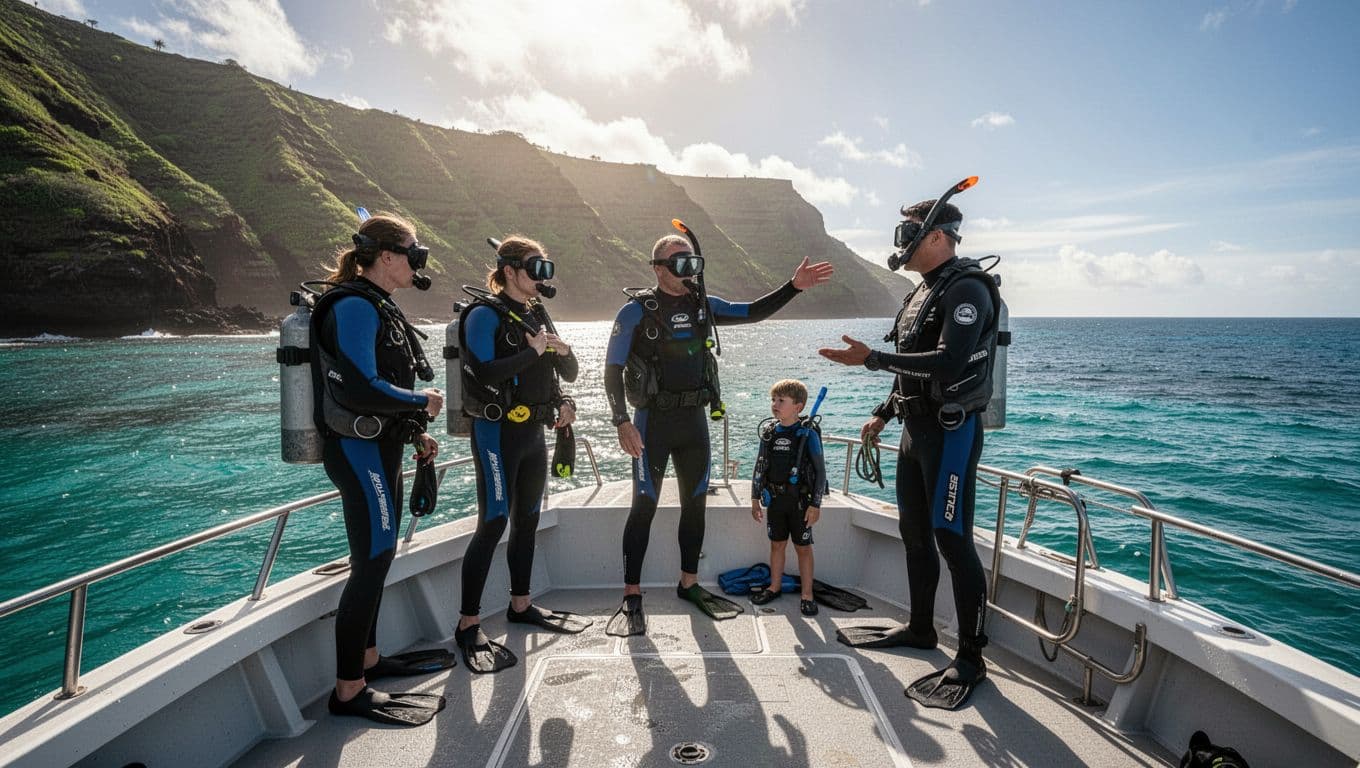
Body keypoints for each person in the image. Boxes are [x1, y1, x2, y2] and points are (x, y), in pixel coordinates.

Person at [819, 197, 1002, 711]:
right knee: (914, 534)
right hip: (913, 432)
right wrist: (884, 411)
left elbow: (948, 364)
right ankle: (921, 629)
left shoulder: (966, 289)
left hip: (951, 434)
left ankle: (970, 657)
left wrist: (871, 359)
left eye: (909, 234)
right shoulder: (922, 293)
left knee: (953, 539)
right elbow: (912, 369)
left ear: (939, 236)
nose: (901, 244)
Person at [602, 233, 834, 636]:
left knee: (696, 506)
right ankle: (632, 594)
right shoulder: (635, 312)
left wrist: (793, 287)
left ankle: (688, 583)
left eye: (692, 261)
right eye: (678, 262)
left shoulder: (702, 307)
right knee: (644, 506)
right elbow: (611, 369)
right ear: (658, 268)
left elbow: (753, 312)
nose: (688, 268)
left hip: (693, 423)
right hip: (650, 424)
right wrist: (621, 420)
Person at [312, 213, 450, 726]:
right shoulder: (352, 305)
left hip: (383, 446)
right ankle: (348, 690)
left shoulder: (378, 305)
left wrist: (415, 429)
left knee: (381, 553)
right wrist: (423, 400)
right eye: (415, 253)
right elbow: (359, 387)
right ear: (387, 257)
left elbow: (380, 386)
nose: (419, 263)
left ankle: (369, 661)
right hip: (357, 451)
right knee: (371, 559)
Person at [455, 235, 589, 674]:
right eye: (536, 267)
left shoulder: (537, 313)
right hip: (496, 432)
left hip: (534, 431)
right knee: (493, 521)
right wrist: (532, 350)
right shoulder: (483, 314)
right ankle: (468, 624)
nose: (542, 277)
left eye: (546, 268)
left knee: (527, 520)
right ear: (509, 271)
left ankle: (520, 604)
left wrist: (564, 386)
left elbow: (563, 370)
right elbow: (481, 372)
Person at [749, 379, 827, 616]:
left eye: (781, 401)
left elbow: (821, 471)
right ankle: (774, 586)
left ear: (798, 406)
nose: (775, 404)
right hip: (776, 501)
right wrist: (754, 498)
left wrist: (815, 504)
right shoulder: (770, 433)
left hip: (800, 504)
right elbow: (760, 466)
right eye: (773, 400)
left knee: (803, 548)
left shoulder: (807, 435)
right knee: (777, 545)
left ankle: (807, 595)